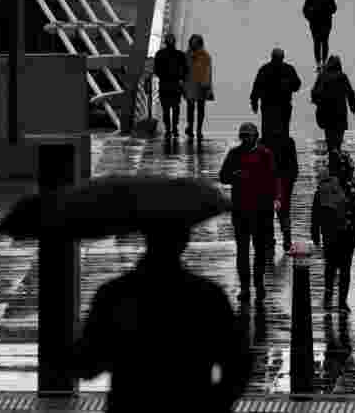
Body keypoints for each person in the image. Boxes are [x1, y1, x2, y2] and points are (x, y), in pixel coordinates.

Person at [68, 226, 253, 412]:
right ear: (185, 240)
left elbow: (88, 364)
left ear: (146, 236)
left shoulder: (115, 294)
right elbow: (238, 363)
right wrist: (215, 402)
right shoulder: (208, 296)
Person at [219, 123, 281, 303]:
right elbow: (223, 176)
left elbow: (274, 177)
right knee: (242, 250)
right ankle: (245, 287)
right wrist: (235, 175)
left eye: (248, 135)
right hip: (240, 210)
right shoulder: (234, 154)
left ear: (256, 136)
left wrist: (277, 199)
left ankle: (259, 283)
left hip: (262, 210)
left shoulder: (265, 154)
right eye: (243, 136)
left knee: (260, 249)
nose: (245, 139)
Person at [311, 151, 355, 312]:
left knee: (331, 265)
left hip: (331, 233)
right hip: (346, 233)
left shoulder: (324, 188)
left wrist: (315, 232)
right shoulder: (351, 188)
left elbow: (316, 213)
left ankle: (331, 296)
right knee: (344, 267)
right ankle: (341, 301)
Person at [250, 47, 302, 138]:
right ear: (283, 57)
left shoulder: (264, 69)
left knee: (268, 130)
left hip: (270, 106)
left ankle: (268, 148)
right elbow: (297, 86)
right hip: (282, 105)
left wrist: (254, 103)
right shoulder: (289, 69)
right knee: (283, 130)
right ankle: (281, 148)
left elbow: (256, 88)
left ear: (272, 57)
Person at [311, 55, 355, 151]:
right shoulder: (342, 76)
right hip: (340, 111)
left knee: (329, 134)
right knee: (339, 135)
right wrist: (353, 108)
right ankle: (337, 150)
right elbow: (350, 93)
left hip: (326, 111)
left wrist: (317, 103)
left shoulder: (322, 76)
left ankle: (332, 152)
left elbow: (314, 91)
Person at [261, 129, 298, 252]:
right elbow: (294, 165)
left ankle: (270, 240)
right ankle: (286, 238)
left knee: (268, 212)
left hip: (269, 180)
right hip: (284, 180)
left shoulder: (263, 141)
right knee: (284, 210)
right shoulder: (288, 141)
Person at [153, 33, 189, 138]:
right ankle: (175, 127)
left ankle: (168, 129)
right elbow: (186, 70)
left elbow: (157, 70)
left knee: (165, 108)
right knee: (175, 107)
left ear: (165, 42)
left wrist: (164, 76)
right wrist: (181, 78)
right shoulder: (180, 55)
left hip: (164, 84)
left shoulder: (159, 54)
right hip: (176, 85)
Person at [302, 0, 338, 72]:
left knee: (317, 43)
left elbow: (305, 10)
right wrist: (327, 12)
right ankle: (324, 62)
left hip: (315, 24)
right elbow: (334, 8)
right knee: (324, 42)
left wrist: (310, 17)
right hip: (326, 23)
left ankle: (318, 63)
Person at [183, 34, 213, 141]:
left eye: (196, 42)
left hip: (201, 85)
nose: (194, 45)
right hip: (190, 84)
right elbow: (183, 70)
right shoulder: (186, 55)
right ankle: (191, 127)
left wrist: (208, 86)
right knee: (191, 108)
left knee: (200, 108)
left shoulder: (205, 56)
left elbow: (208, 72)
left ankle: (198, 130)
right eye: (192, 42)